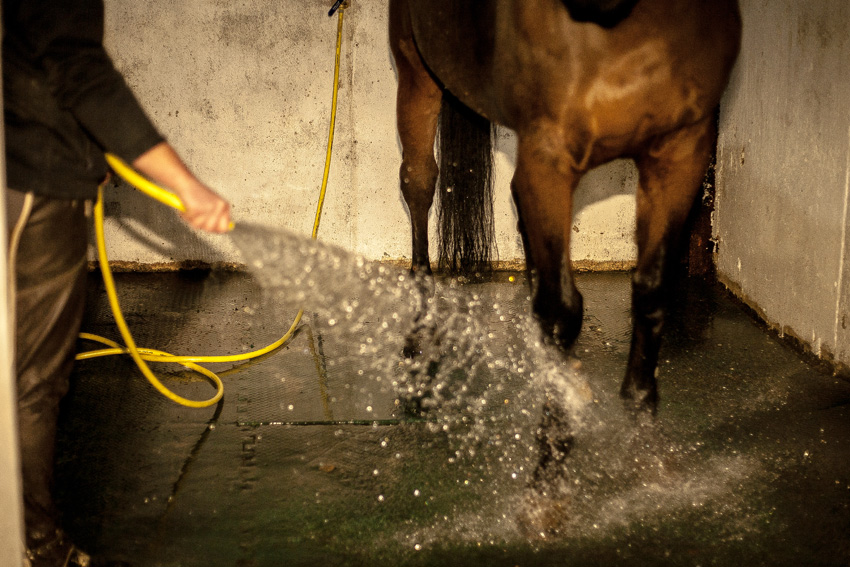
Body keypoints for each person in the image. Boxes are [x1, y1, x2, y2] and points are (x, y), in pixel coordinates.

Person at [3, 0, 232, 565]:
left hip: (24, 165)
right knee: (31, 382)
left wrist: (85, 148)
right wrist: (188, 186)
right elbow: (76, 66)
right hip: (32, 183)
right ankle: (37, 549)